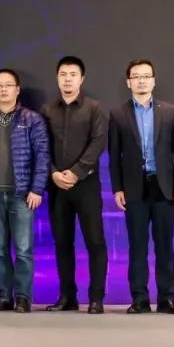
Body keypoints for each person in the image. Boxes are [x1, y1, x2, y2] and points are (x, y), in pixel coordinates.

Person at [109, 59, 174, 315]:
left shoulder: (170, 111)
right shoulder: (118, 114)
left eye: (146, 76)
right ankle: (140, 299)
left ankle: (167, 298)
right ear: (128, 82)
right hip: (134, 188)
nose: (141, 80)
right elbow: (114, 156)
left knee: (165, 245)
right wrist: (117, 188)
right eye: (136, 76)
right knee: (137, 246)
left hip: (164, 187)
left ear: (153, 80)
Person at [41, 55, 108, 314]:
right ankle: (67, 296)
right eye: (63, 74)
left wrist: (76, 172)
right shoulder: (47, 110)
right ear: (57, 78)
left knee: (95, 241)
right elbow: (41, 146)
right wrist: (54, 173)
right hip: (57, 186)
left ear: (82, 79)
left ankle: (96, 298)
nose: (67, 79)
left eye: (72, 74)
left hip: (86, 185)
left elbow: (98, 142)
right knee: (62, 242)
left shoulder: (94, 108)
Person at [0, 68, 49, 314]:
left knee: (23, 251)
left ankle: (22, 298)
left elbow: (42, 156)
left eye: (8, 85)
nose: (3, 89)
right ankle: (3, 297)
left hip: (22, 195)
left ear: (17, 90)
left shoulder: (32, 119)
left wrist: (37, 188)